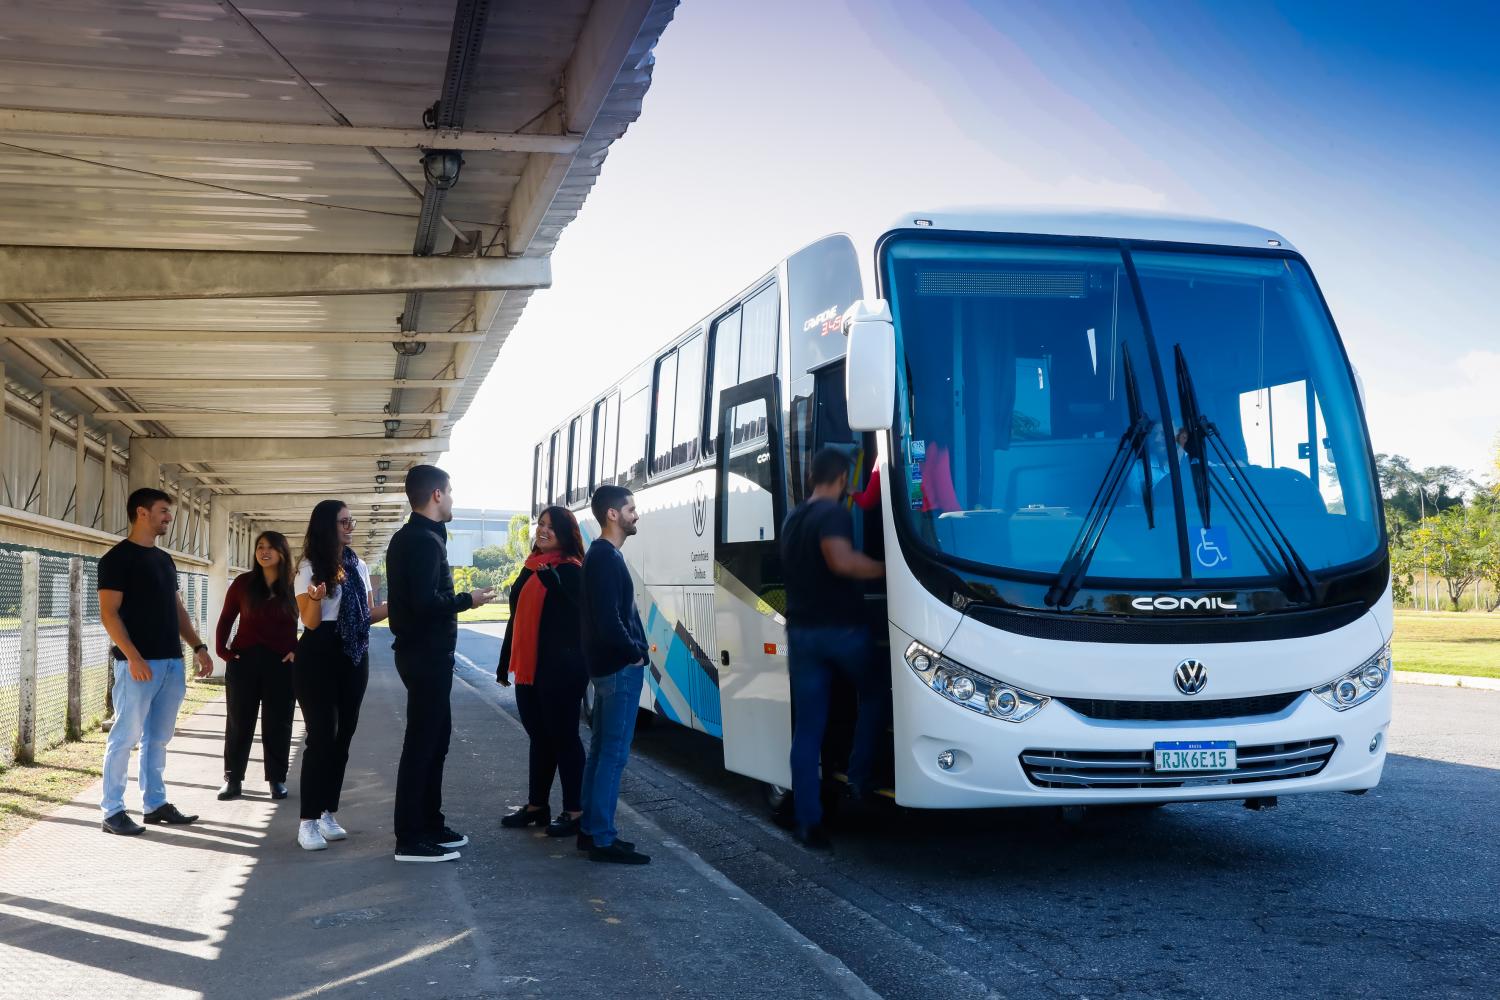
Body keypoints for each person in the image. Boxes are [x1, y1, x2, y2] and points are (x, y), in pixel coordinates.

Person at [385, 465, 495, 863]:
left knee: (436, 740)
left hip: (427, 655)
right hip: (424, 655)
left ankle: (430, 823)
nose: (452, 499)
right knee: (422, 745)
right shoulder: (420, 541)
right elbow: (425, 603)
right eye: (449, 492)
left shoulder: (422, 537)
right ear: (435, 495)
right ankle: (411, 838)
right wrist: (470, 599)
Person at [780, 447, 886, 850]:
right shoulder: (833, 513)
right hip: (840, 631)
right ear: (842, 479)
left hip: (802, 633)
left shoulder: (794, 517)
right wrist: (885, 567)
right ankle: (860, 779)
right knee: (876, 693)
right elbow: (842, 562)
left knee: (808, 729)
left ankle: (808, 821)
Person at [97, 487, 214, 836]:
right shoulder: (116, 559)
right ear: (142, 512)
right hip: (138, 665)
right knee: (125, 737)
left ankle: (155, 804)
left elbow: (176, 608)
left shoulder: (164, 559)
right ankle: (112, 811)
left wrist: (198, 646)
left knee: (158, 739)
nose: (168, 518)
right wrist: (132, 657)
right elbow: (109, 614)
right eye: (163, 511)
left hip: (171, 664)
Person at [293, 500, 387, 852]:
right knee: (321, 735)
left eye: (352, 521)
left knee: (343, 736)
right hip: (318, 652)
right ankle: (307, 822)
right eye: (344, 521)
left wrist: (401, 606)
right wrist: (315, 598)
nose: (351, 526)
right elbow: (311, 622)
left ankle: (328, 812)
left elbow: (366, 613)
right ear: (325, 526)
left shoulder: (359, 565)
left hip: (354, 653)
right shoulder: (307, 568)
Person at [496, 505, 588, 838]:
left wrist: (557, 583)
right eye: (541, 524)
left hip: (562, 668)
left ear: (565, 532)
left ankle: (575, 810)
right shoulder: (530, 568)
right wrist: (504, 662)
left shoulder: (573, 569)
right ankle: (537, 806)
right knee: (539, 737)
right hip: (529, 669)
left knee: (564, 737)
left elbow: (581, 610)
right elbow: (515, 617)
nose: (542, 530)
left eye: (551, 526)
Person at [578, 484, 652, 865]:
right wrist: (635, 654)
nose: (635, 515)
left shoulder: (600, 555)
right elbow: (609, 620)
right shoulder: (606, 558)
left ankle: (591, 831)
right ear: (613, 514)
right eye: (631, 509)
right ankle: (603, 838)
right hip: (619, 670)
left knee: (600, 752)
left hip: (605, 669)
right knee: (613, 755)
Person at [214, 530, 298, 802]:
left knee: (278, 722)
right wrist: (222, 651)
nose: (264, 552)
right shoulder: (242, 583)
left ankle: (276, 780)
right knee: (239, 722)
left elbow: (313, 618)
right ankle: (233, 779)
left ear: (282, 553)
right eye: (260, 547)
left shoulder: (295, 584)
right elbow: (226, 618)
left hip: (281, 664)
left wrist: (298, 649)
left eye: (271, 548)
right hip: (244, 662)